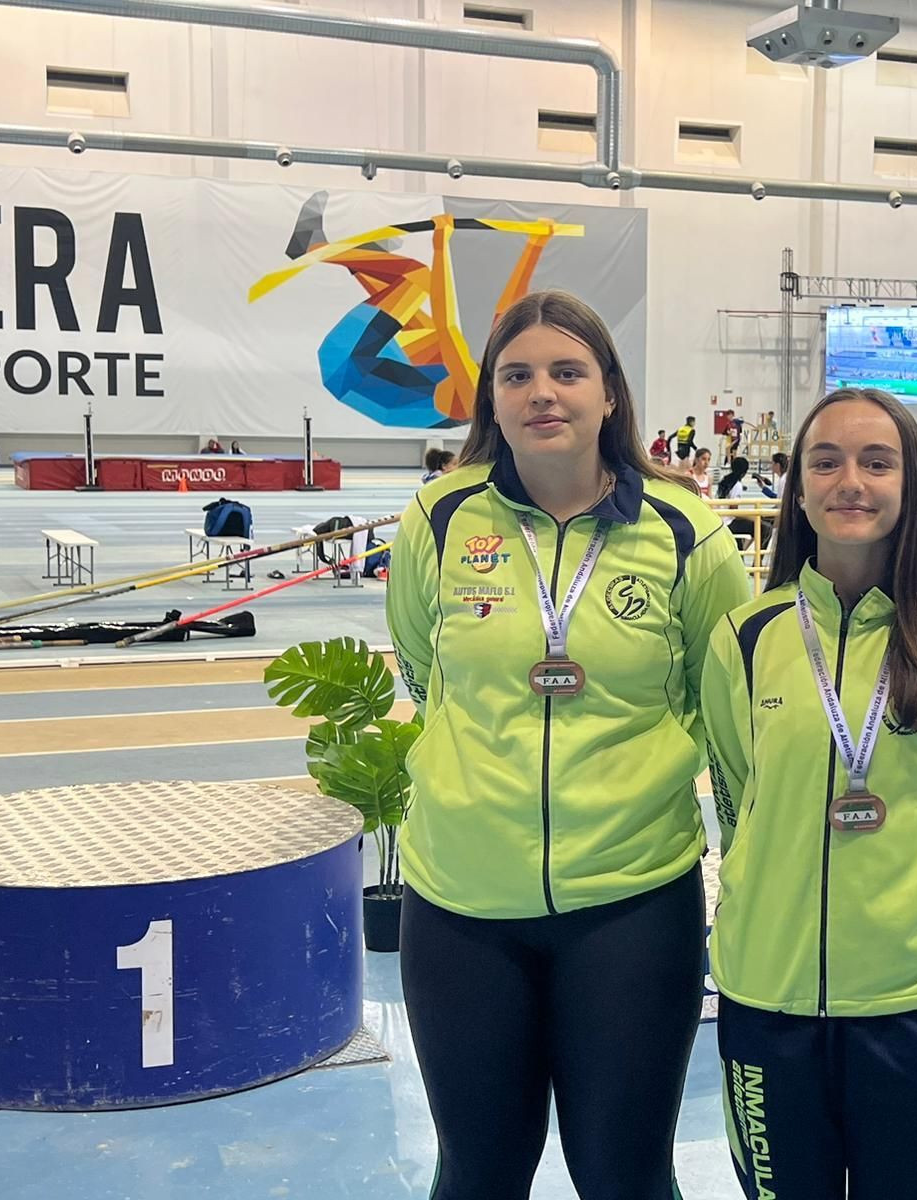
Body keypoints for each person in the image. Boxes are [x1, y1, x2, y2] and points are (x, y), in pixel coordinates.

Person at [385, 290, 750, 1200]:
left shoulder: (685, 532)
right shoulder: (437, 520)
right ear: (492, 401)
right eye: (517, 375)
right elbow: (424, 681)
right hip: (462, 906)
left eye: (566, 371)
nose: (542, 392)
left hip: (629, 907)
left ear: (610, 394)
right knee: (477, 1176)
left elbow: (731, 708)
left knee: (625, 1176)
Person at [702, 387, 917, 1199]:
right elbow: (739, 800)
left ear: (910, 486)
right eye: (827, 461)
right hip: (767, 998)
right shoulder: (745, 639)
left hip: (911, 1002)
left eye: (878, 462)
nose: (852, 480)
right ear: (798, 488)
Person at [717, 455, 772, 547]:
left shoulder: (724, 480)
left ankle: (744, 547)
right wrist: (752, 517)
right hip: (729, 522)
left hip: (721, 519)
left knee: (758, 522)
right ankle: (758, 560)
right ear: (744, 472)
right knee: (766, 528)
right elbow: (734, 512)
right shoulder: (737, 485)